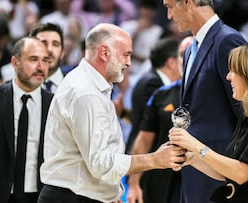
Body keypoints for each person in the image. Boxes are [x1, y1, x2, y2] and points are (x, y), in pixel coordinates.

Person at [38, 23, 186, 203]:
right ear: (104, 53)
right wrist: (155, 159)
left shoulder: (89, 85)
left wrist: (110, 193)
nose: (129, 63)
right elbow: (100, 163)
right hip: (72, 197)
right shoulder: (85, 93)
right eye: (126, 54)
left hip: (80, 195)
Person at [169, 45, 248, 202]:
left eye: (233, 71)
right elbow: (227, 172)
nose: (228, 76)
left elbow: (241, 174)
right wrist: (191, 158)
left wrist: (195, 145)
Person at [162, 0, 248, 201]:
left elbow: (246, 111)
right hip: (193, 169)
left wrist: (238, 172)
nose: (169, 16)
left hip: (220, 173)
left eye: (169, 6)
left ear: (188, 3)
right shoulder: (192, 47)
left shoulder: (228, 40)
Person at [0, 37, 53, 203]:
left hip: (40, 197)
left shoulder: (56, 105)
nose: (40, 67)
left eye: (45, 61)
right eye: (33, 59)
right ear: (15, 62)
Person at [127, 36, 193, 203]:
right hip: (160, 182)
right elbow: (143, 140)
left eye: (192, 53)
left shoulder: (215, 96)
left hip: (201, 180)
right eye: (182, 54)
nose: (185, 59)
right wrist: (134, 183)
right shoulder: (160, 95)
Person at [125, 37, 180, 154]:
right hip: (144, 153)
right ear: (171, 63)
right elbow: (150, 123)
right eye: (181, 56)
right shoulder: (153, 83)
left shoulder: (150, 78)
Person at [29, 23, 65, 93]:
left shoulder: (74, 86)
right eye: (43, 43)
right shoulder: (18, 87)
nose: (49, 49)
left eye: (55, 44)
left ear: (62, 53)